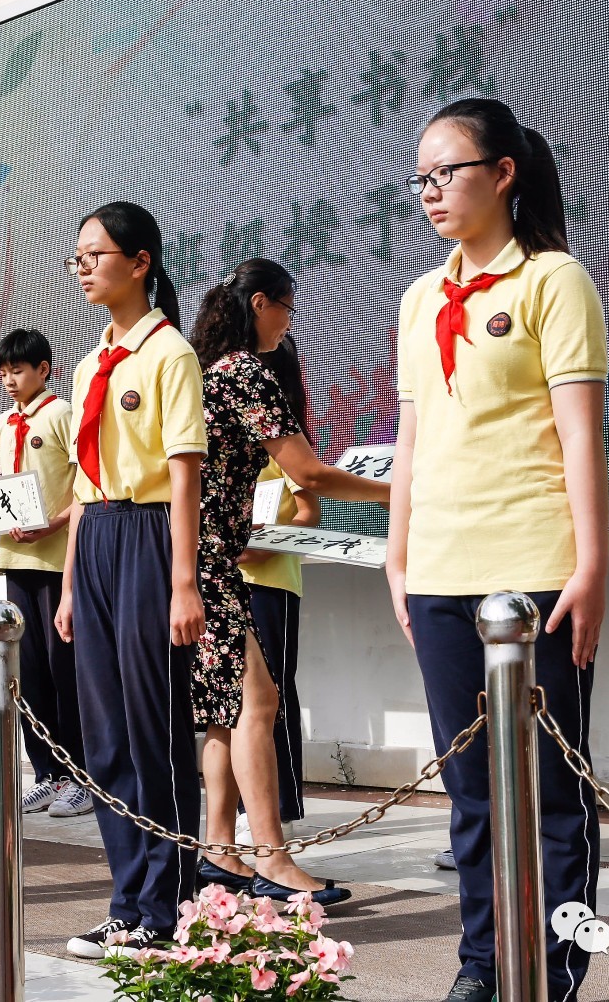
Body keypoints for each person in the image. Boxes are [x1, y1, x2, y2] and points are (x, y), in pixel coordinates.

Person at [385, 98, 608, 1002]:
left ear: (504, 173)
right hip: (440, 571)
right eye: (422, 178)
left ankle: (555, 972)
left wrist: (592, 564)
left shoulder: (555, 281)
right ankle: (482, 966)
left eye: (449, 172)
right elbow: (409, 440)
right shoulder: (417, 297)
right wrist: (398, 561)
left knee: (554, 794)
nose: (431, 191)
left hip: (535, 566)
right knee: (471, 796)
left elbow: (581, 436)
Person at [186, 259, 389, 907]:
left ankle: (219, 849)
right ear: (262, 304)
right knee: (258, 700)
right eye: (288, 310)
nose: (289, 323)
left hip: (204, 556)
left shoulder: (211, 371)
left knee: (228, 707)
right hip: (207, 560)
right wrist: (400, 491)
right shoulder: (247, 371)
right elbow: (310, 474)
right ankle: (272, 858)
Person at [55, 202, 206, 960]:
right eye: (76, 257)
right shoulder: (90, 364)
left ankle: (169, 906)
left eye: (96, 254)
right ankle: (128, 902)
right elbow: (86, 484)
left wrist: (184, 583)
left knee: (155, 731)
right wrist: (71, 584)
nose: (83, 267)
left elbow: (184, 478)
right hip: (100, 538)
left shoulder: (169, 354)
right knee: (106, 735)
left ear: (140, 262)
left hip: (151, 538)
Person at [0, 329, 90, 818]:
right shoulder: (3, 423)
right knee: (28, 676)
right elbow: (6, 492)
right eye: (3, 372)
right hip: (17, 563)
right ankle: (47, 774)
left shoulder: (61, 414)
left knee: (66, 673)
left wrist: (52, 523)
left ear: (44, 368)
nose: (10, 380)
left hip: (60, 562)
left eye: (18, 370)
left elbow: (83, 487)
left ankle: (80, 776)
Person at [235, 339, 320, 845]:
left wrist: (265, 546)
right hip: (229, 583)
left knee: (275, 693)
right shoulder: (227, 444)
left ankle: (282, 803)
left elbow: (309, 512)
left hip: (273, 583)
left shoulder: (290, 445)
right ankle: (251, 802)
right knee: (239, 700)